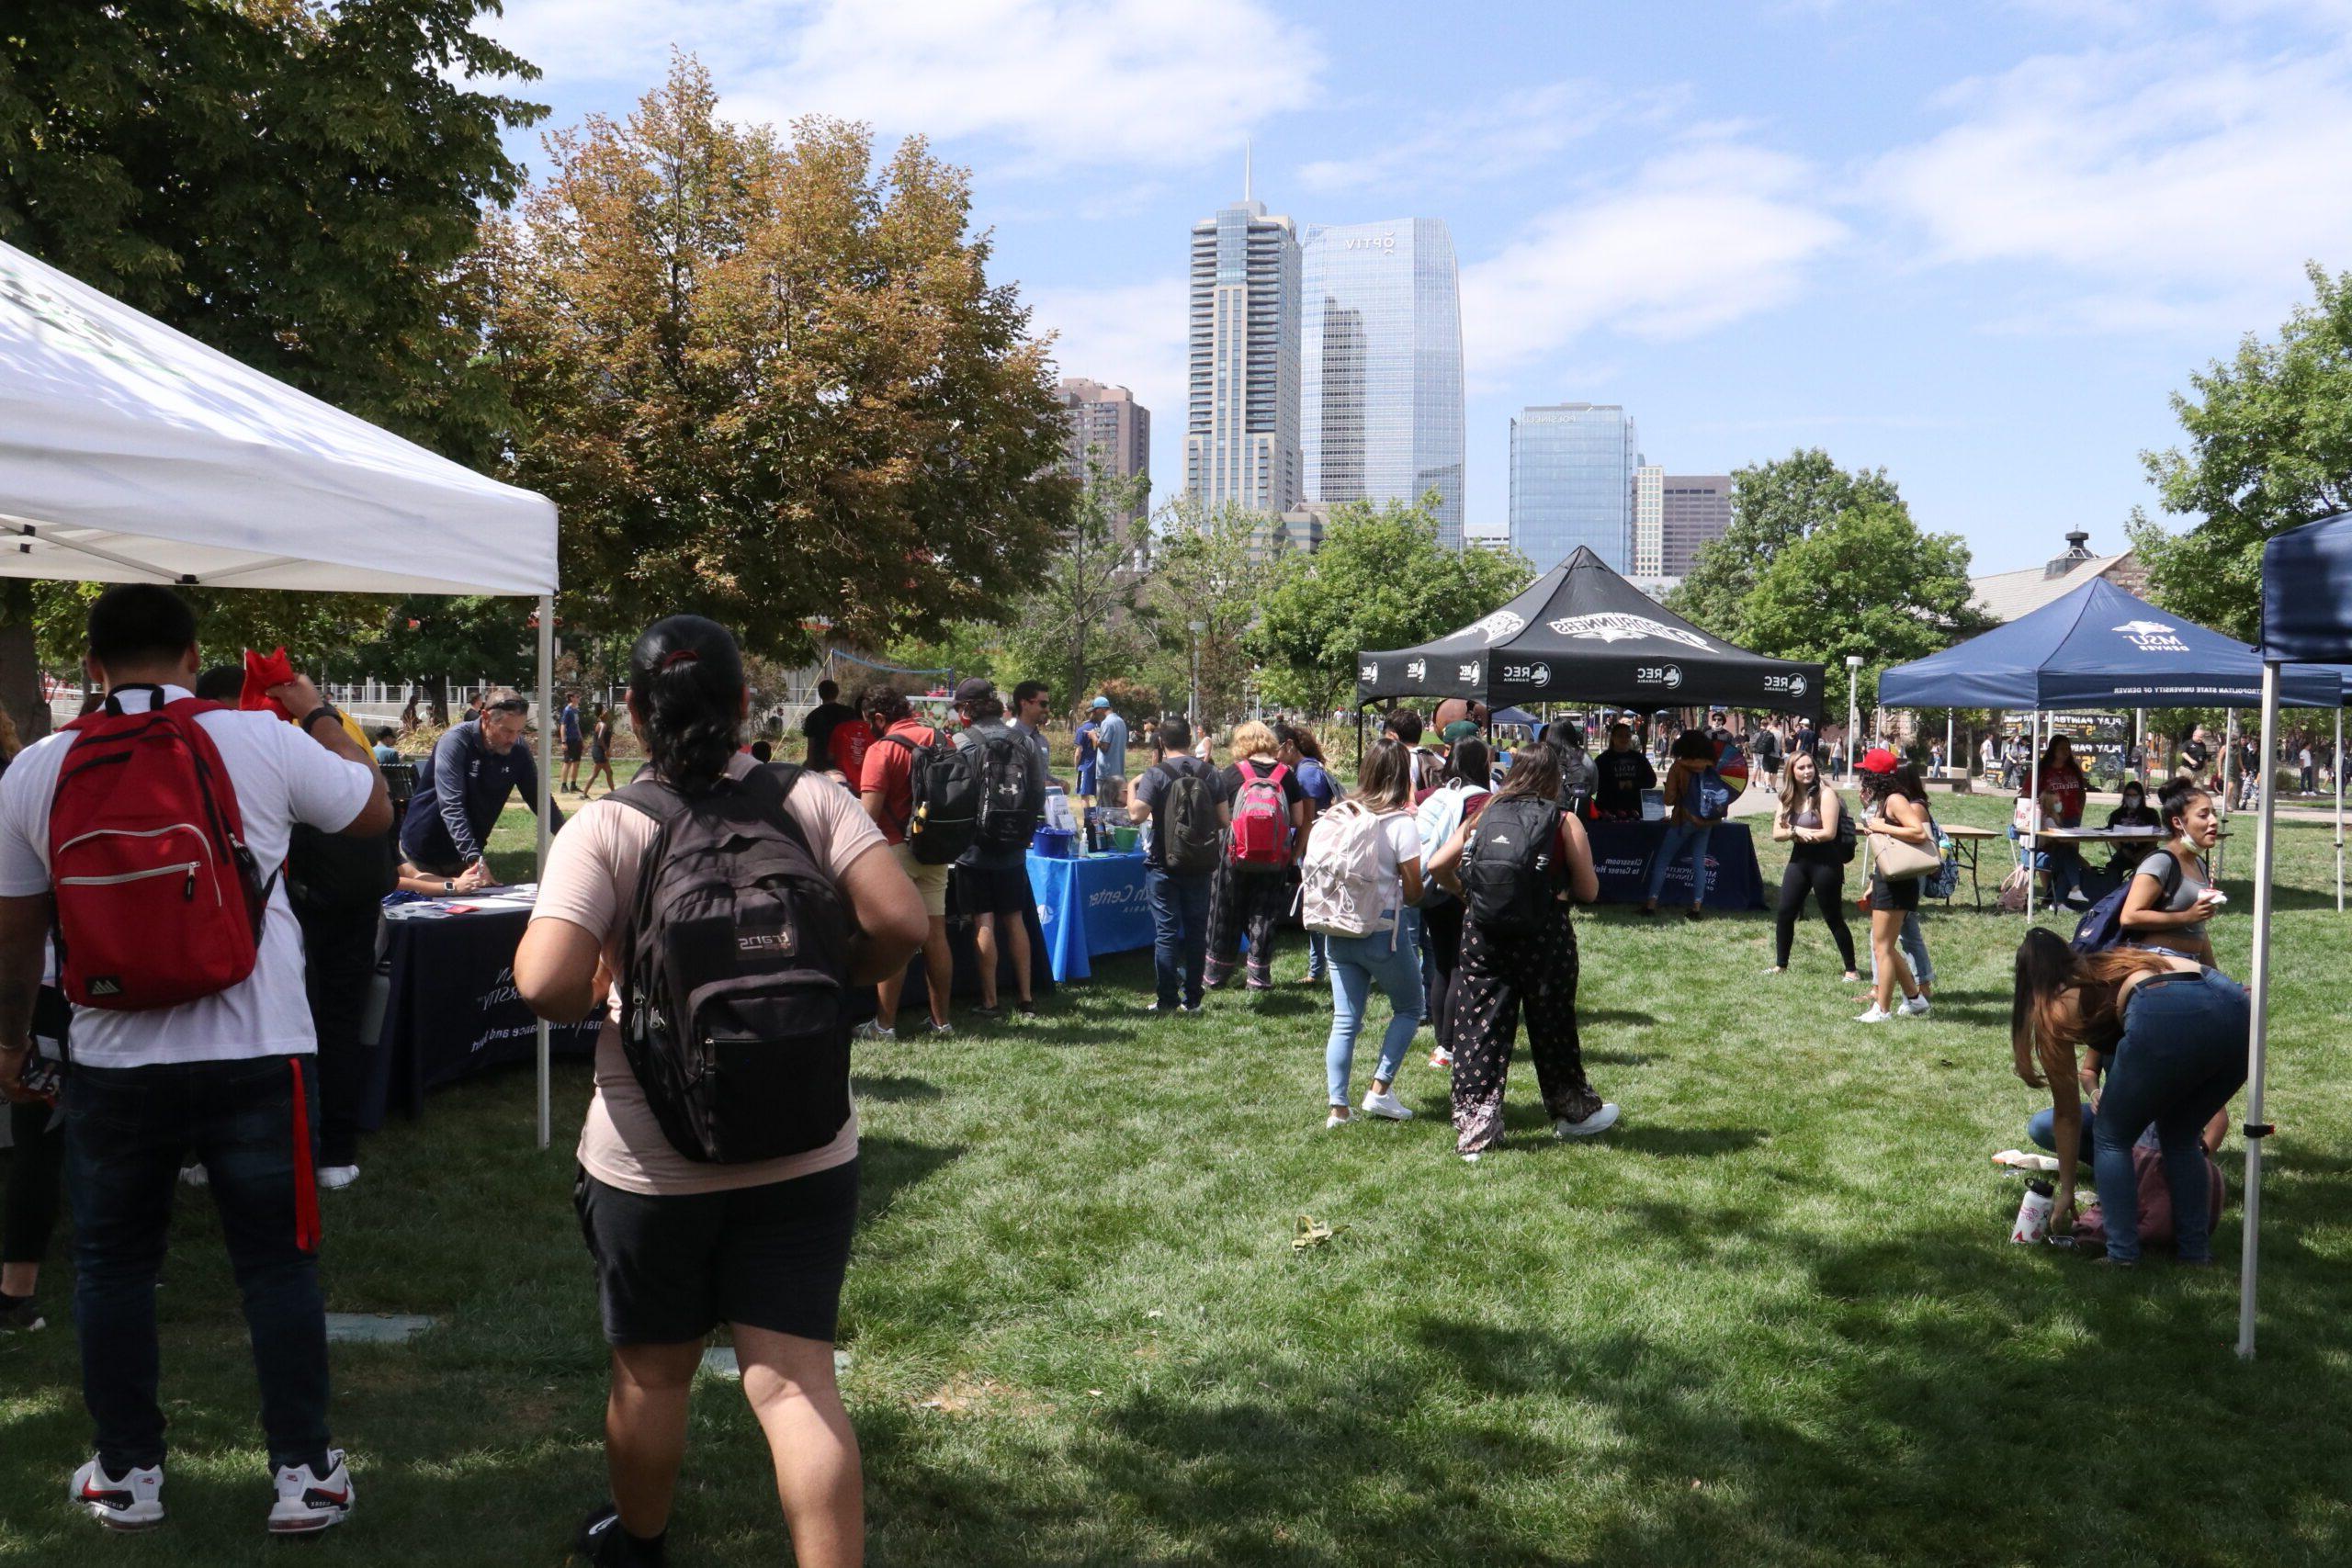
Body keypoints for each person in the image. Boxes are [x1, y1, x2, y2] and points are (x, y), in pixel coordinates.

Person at [514, 614, 925, 1568]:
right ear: (746, 704)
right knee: (794, 1386)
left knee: (653, 1377)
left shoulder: (609, 826)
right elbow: (901, 923)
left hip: (647, 1159)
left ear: (630, 713)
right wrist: (833, 987)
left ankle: (640, 1543)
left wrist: (601, 995)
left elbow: (541, 983)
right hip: (805, 1146)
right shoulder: (811, 799)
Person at [0, 583, 390, 1535]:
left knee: (113, 1269)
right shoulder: (254, 738)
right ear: (190, 654)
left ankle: (129, 1475)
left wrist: (12, 1038)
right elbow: (372, 813)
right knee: (276, 1267)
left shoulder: (39, 768)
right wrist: (318, 713)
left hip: (112, 1055)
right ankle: (304, 1473)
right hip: (258, 1043)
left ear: (89, 666)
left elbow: (15, 931)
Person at [2008, 929, 2247, 1264]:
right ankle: (2195, 1254)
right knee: (2179, 1136)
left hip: (2163, 1005)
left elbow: (2066, 1114)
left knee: (2110, 1135)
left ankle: (2122, 1255)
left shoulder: (2054, 1004)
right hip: (2235, 1004)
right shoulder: (2111, 963)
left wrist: (2066, 1190)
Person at [1428, 742, 1616, 1158]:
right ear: (1555, 778)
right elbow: (1589, 890)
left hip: (1483, 934)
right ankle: (1573, 1112)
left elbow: (1438, 865)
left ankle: (1475, 1131)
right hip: (1543, 935)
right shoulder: (1563, 820)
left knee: (1478, 1026)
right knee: (1553, 1026)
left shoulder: (1483, 813)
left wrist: (1469, 896)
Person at [1309, 738, 1427, 1127]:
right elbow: (1413, 890)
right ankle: (1379, 1090)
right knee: (1410, 1007)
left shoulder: (1338, 814)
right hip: (1381, 933)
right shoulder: (1400, 824)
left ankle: (1337, 1108)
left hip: (1336, 929)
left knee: (1345, 1020)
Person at [854, 685, 955, 1038]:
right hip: (937, 847)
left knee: (894, 940)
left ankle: (885, 1025)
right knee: (936, 937)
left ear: (880, 718)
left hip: (895, 851)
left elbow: (867, 816)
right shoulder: (941, 739)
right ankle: (942, 1022)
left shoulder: (882, 750)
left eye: (870, 722)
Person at [397, 687, 562, 884]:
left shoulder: (518, 749)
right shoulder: (455, 741)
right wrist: (475, 860)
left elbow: (541, 800)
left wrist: (571, 839)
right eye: (507, 730)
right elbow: (452, 805)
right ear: (485, 717)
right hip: (422, 853)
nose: (513, 739)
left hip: (465, 857)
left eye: (519, 731)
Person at [948, 679, 1042, 1019]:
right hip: (1014, 844)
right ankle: (1026, 997)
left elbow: (954, 798)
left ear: (967, 709)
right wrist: (1024, 830)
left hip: (974, 846)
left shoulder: (961, 742)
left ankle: (990, 1001)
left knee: (983, 920)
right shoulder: (1024, 741)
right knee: (1015, 919)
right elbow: (1036, 793)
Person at [1128, 716, 1228, 1014]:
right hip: (1200, 863)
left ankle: (1167, 1000)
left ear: (1161, 741)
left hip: (1163, 863)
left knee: (1167, 932)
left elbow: (1135, 815)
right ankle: (1194, 999)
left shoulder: (1156, 774)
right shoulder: (1210, 773)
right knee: (1197, 931)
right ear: (1189, 739)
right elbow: (1225, 820)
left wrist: (1134, 785)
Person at [1205, 721, 1309, 992]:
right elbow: (1298, 819)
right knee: (1264, 914)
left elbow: (1220, 818)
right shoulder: (1286, 775)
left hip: (1233, 855)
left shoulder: (1230, 773)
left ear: (1241, 744)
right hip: (1274, 857)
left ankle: (1215, 976)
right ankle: (1258, 978)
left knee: (1224, 912)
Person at [1414, 739, 1491, 1071]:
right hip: (1457, 888)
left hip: (1429, 891)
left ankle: (1440, 1043)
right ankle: (1448, 1047)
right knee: (1461, 966)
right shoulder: (1479, 799)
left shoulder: (1434, 793)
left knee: (1443, 965)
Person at [1853, 748, 1932, 1022]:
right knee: (1883, 944)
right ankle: (1914, 999)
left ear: (1874, 776)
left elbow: (1918, 831)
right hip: (1889, 878)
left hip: (1900, 881)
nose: (1861, 776)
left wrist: (1882, 826)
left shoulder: (1896, 799)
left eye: (1865, 772)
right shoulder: (1884, 800)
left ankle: (1882, 1010)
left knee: (1882, 946)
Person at [1768, 749, 1859, 981]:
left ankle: (1851, 970)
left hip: (1826, 862)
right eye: (1801, 767)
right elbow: (1776, 833)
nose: (1807, 771)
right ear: (1792, 771)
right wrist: (1797, 831)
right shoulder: (1787, 797)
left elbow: (1828, 833)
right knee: (1785, 912)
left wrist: (1796, 833)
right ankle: (1781, 965)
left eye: (1810, 766)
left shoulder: (1825, 794)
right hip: (1799, 860)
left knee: (1832, 916)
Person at [2119, 779, 2225, 967]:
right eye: (2204, 815)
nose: (2213, 821)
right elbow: (2129, 916)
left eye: (2214, 814)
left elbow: (2197, 927)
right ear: (2177, 822)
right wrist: (2187, 916)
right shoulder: (2161, 862)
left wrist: (2215, 973)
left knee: (2238, 994)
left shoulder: (2199, 862)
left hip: (2189, 960)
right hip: (2159, 959)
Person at [1275, 723, 1338, 984]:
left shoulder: (1306, 774)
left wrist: (1296, 855)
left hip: (1315, 849)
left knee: (1317, 909)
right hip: (1317, 847)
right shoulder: (1308, 768)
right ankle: (1319, 969)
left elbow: (1308, 821)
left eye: (1275, 749)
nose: (1273, 756)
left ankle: (1318, 971)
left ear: (1289, 745)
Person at [1638, 733, 1715, 919]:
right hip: (1707, 820)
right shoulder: (1711, 766)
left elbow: (1669, 799)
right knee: (1699, 862)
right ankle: (1697, 906)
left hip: (1683, 820)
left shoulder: (1678, 767)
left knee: (1663, 860)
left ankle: (1651, 904)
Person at [2024, 733, 2089, 907]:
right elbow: (2026, 794)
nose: (2066, 752)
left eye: (2068, 748)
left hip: (2071, 819)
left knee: (2069, 853)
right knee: (2054, 854)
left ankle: (2061, 896)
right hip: (2049, 821)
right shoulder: (2042, 770)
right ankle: (2051, 894)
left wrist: (2079, 811)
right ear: (2053, 750)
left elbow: (2081, 794)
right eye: (2062, 748)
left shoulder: (2073, 770)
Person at [1592, 721, 1656, 820]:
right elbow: (1595, 784)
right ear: (1613, 737)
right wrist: (1616, 785)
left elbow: (1651, 781)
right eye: (1620, 736)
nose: (1624, 739)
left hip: (1635, 810)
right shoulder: (1603, 759)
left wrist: (1633, 784)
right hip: (1608, 810)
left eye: (1627, 736)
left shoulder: (1639, 758)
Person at [2105, 780, 2162, 877]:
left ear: (2141, 796)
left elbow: (2156, 838)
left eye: (2134, 795)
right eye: (2128, 795)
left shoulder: (2151, 814)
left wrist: (2142, 854)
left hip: (2147, 852)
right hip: (2123, 852)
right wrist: (2125, 852)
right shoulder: (2116, 815)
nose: (2131, 798)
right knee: (2112, 867)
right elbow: (2111, 837)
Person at [798, 679, 855, 772]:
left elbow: (811, 747)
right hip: (846, 764)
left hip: (821, 765)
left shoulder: (813, 716)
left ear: (820, 694)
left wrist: (810, 769)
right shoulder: (850, 713)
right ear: (837, 693)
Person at [1091, 695, 1129, 808]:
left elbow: (1104, 747)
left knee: (1103, 806)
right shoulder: (1120, 721)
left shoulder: (1107, 723)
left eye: (1094, 711)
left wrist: (1094, 737)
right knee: (1115, 807)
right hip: (1118, 772)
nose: (1094, 714)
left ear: (1100, 709)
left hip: (1106, 774)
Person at [585, 705, 618, 796]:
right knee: (606, 772)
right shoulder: (603, 725)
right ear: (601, 714)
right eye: (605, 711)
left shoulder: (601, 724)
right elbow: (600, 739)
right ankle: (613, 793)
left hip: (598, 751)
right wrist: (607, 751)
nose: (607, 712)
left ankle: (584, 794)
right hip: (599, 752)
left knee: (602, 773)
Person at [1074, 705, 1101, 809]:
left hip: (1085, 766)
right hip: (1099, 767)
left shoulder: (1082, 730)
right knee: (1098, 796)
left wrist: (1076, 766)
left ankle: (1088, 821)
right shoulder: (1103, 727)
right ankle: (1099, 821)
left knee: (1084, 796)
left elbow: (1078, 752)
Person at [561, 691, 585, 794]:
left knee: (576, 763)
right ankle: (563, 786)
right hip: (569, 740)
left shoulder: (575, 710)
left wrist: (581, 738)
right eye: (577, 696)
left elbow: (577, 725)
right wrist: (563, 742)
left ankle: (573, 785)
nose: (579, 698)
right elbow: (563, 726)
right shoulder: (568, 710)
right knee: (568, 762)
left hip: (576, 740)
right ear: (572, 698)